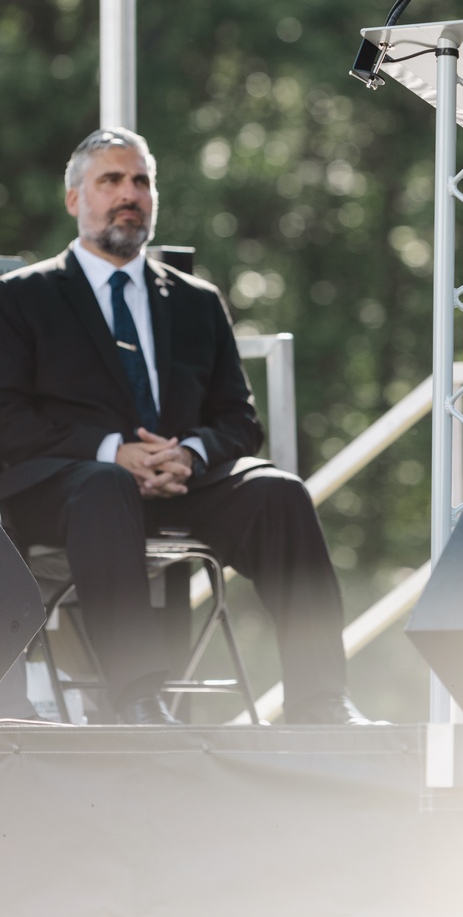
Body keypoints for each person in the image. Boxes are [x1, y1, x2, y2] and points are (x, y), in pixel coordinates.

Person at [0, 127, 364, 726]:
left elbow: (239, 421)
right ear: (74, 199)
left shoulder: (197, 300)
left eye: (141, 181)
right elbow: (7, 420)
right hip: (67, 492)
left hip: (181, 486)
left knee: (280, 493)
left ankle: (320, 699)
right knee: (103, 484)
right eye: (111, 180)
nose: (130, 193)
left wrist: (190, 454)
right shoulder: (21, 298)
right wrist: (112, 452)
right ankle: (140, 699)